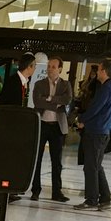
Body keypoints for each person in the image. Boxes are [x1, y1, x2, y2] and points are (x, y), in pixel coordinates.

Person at [73, 59, 111, 212]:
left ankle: (91, 199)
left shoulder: (106, 88)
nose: (97, 72)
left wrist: (82, 119)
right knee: (97, 166)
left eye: (99, 70)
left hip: (95, 132)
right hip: (103, 131)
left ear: (104, 71)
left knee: (90, 167)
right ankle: (105, 198)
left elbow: (95, 108)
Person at [30, 55, 72, 202]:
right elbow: (37, 102)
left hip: (57, 127)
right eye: (48, 66)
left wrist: (48, 98)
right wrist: (55, 104)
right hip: (42, 124)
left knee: (57, 161)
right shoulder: (39, 84)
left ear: (60, 69)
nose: (50, 69)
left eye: (53, 67)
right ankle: (35, 190)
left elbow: (67, 100)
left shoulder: (66, 85)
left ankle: (56, 192)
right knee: (37, 158)